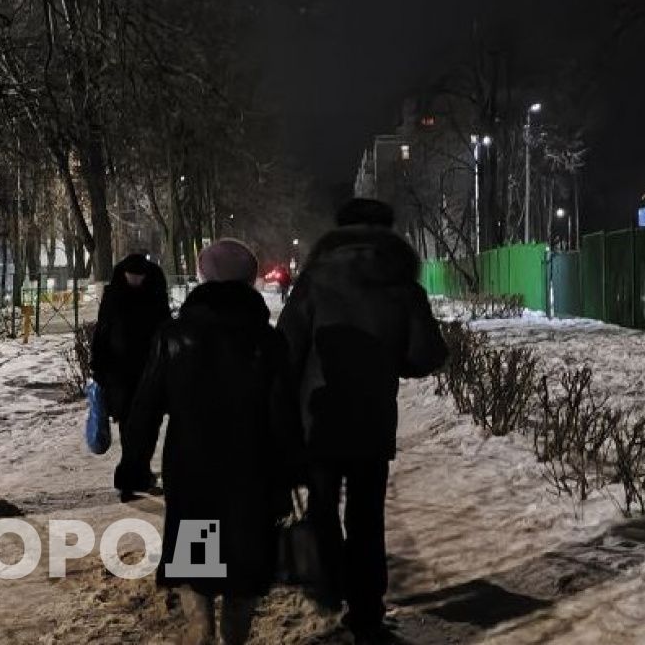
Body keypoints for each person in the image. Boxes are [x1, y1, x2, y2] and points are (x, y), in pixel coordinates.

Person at [277, 198, 447, 641]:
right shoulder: (401, 282)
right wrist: (384, 360)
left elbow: (287, 351)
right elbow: (426, 355)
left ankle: (330, 585)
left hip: (318, 417)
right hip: (372, 419)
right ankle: (367, 611)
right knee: (367, 517)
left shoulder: (314, 279)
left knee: (322, 507)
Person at [124, 239, 300, 644]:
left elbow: (146, 406)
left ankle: (199, 629)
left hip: (194, 473)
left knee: (198, 569)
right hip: (252, 475)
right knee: (243, 572)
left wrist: (135, 461)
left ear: (204, 277)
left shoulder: (174, 335)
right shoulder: (266, 340)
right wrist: (293, 470)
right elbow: (284, 414)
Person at [90, 253, 171, 497]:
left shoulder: (155, 295)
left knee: (148, 427)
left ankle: (140, 474)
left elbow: (165, 330)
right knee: (131, 428)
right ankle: (128, 479)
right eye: (131, 276)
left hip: (149, 372)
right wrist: (99, 368)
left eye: (139, 277)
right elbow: (102, 332)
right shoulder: (115, 297)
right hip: (121, 375)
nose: (135, 281)